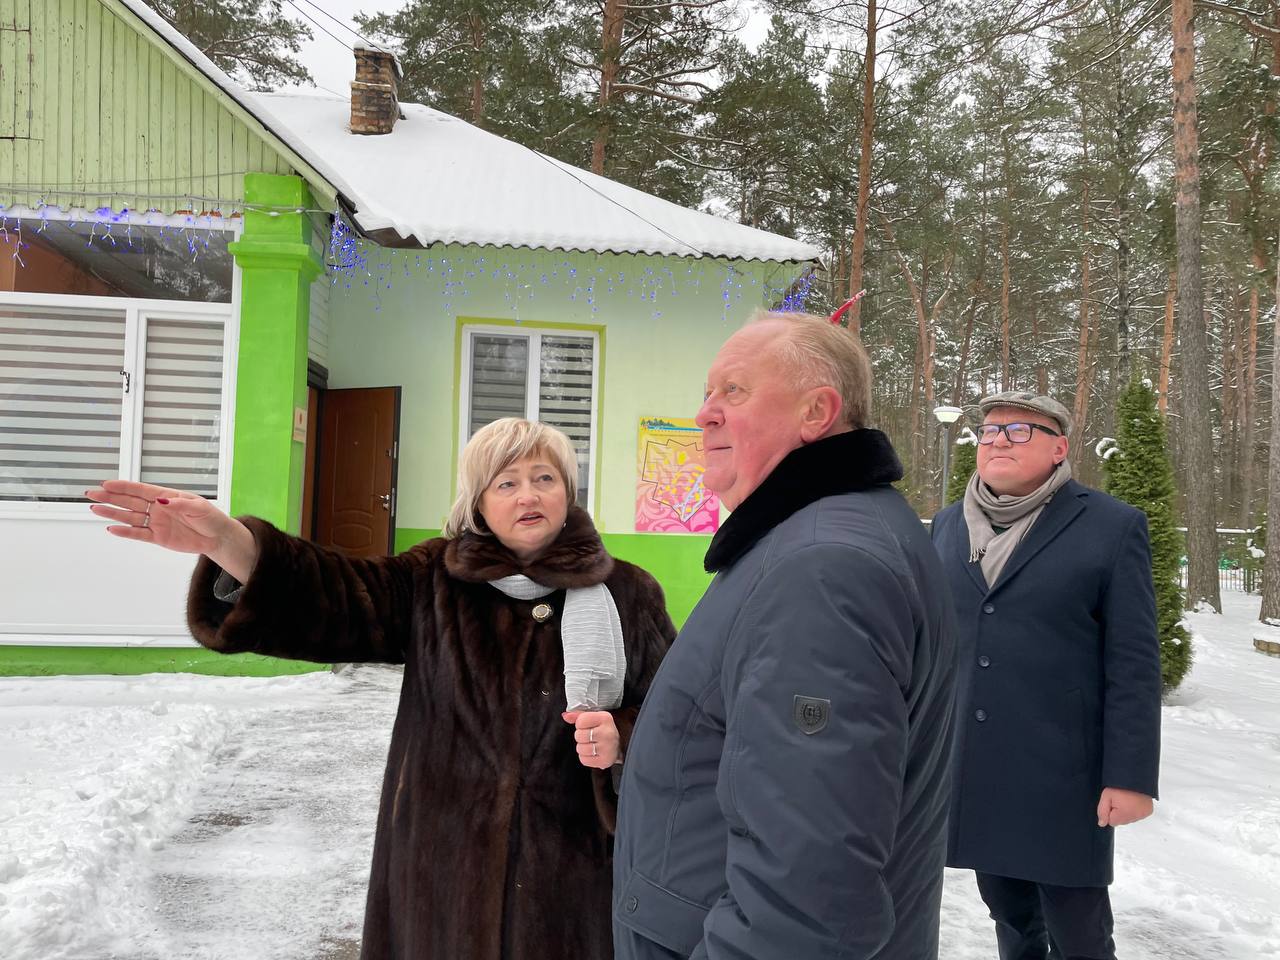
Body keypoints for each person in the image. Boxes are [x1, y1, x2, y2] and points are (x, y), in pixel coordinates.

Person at [86, 418, 675, 960]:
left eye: (544, 478)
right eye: (506, 482)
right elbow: (336, 595)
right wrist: (226, 543)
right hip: (443, 866)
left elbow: (679, 718)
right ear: (477, 503)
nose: (528, 495)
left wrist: (622, 736)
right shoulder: (432, 581)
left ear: (567, 491)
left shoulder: (628, 593)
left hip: (577, 867)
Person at [612, 310, 958, 960]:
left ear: (816, 413)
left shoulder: (821, 569)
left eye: (734, 391)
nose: (705, 414)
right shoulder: (814, 541)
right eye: (706, 393)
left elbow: (809, 899)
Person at [929, 391, 1162, 960]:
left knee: (1078, 929)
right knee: (1008, 916)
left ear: (1059, 449)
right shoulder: (945, 527)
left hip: (1063, 772)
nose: (998, 441)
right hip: (975, 762)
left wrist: (1131, 776)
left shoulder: (1110, 525)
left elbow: (1133, 660)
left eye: (1018, 431)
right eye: (988, 432)